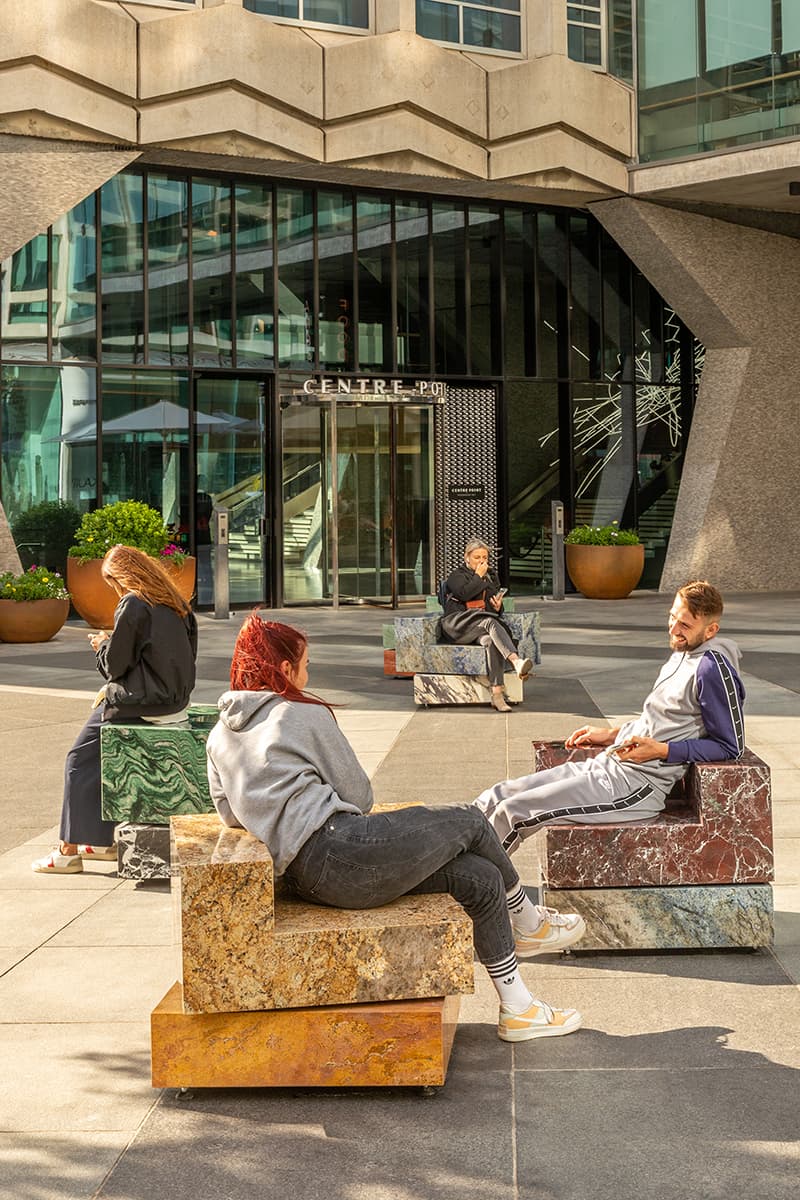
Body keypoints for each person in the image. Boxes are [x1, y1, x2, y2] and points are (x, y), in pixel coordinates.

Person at [206, 616, 584, 1043]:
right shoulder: (295, 713)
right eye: (305, 664)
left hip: (306, 879)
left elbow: (230, 815)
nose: (308, 674)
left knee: (480, 878)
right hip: (342, 847)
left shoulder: (219, 736)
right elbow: (359, 794)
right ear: (285, 670)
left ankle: (519, 1008)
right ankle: (530, 922)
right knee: (470, 819)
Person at [474, 580, 745, 854]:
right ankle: (444, 852)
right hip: (610, 764)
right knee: (498, 795)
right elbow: (661, 719)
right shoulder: (682, 653)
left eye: (685, 625)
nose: (674, 629)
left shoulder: (711, 670)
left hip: (637, 786)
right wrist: (613, 733)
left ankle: (481, 892)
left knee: (513, 813)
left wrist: (663, 751)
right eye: (672, 617)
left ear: (711, 630)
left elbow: (730, 746)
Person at [32, 544, 198, 875]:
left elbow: (114, 667)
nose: (114, 589)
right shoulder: (178, 603)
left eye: (113, 583)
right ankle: (101, 841)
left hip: (139, 701)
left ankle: (67, 851)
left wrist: (101, 644)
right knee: (99, 758)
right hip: (175, 701)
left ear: (122, 577)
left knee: (79, 760)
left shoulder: (134, 603)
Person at [440, 539, 532, 713]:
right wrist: (478, 576)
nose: (481, 561)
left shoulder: (491, 576)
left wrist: (498, 606)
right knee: (489, 622)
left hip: (479, 625)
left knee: (491, 641)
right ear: (467, 558)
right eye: (476, 557)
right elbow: (464, 594)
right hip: (457, 623)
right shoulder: (457, 575)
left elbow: (490, 610)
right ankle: (516, 661)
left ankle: (497, 694)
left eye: (484, 557)